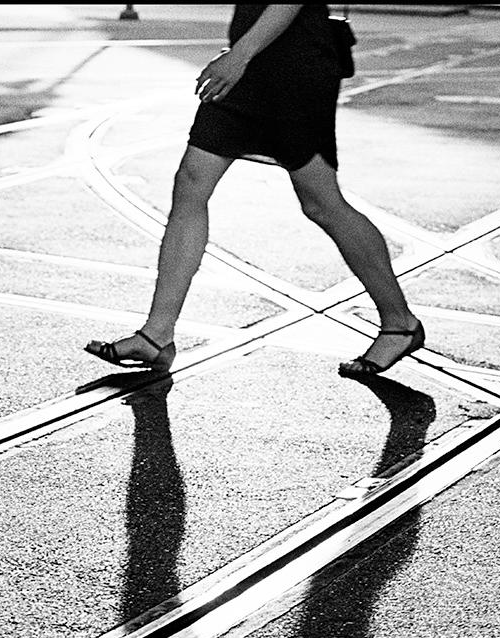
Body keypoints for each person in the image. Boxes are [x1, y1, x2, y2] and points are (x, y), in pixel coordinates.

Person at [86, 3, 424, 378]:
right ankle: (157, 335)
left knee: (322, 203)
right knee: (191, 182)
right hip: (251, 66)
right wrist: (242, 52)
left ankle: (400, 323)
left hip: (293, 70)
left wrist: (240, 55)